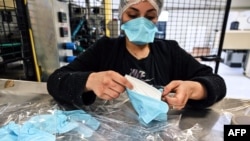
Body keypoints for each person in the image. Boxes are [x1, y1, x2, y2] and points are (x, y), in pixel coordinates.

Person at [47, 0, 226, 110]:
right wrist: (89, 80)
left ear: (157, 19)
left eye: (150, 17)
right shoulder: (105, 49)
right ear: (121, 16)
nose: (141, 23)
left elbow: (217, 83)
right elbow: (56, 81)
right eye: (132, 15)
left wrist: (194, 89)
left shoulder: (170, 51)